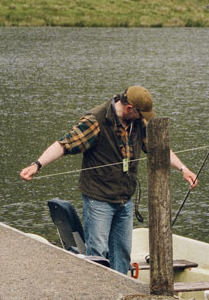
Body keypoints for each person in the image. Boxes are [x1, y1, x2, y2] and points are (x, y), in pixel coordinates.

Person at [19, 85, 197, 276]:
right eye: (141, 114)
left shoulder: (138, 124)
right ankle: (98, 296)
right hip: (98, 200)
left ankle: (122, 293)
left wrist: (183, 169)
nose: (143, 118)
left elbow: (159, 149)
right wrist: (37, 165)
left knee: (122, 253)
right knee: (98, 254)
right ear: (130, 108)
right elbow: (64, 144)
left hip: (124, 199)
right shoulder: (96, 120)